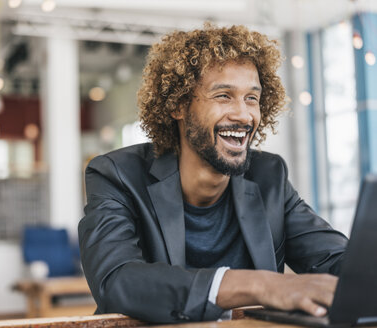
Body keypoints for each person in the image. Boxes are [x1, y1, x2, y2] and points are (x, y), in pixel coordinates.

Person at [78, 24, 348, 323]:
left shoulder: (268, 176)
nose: (243, 115)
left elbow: (339, 262)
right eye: (223, 96)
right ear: (178, 105)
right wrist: (262, 285)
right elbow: (117, 282)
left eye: (252, 98)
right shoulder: (117, 175)